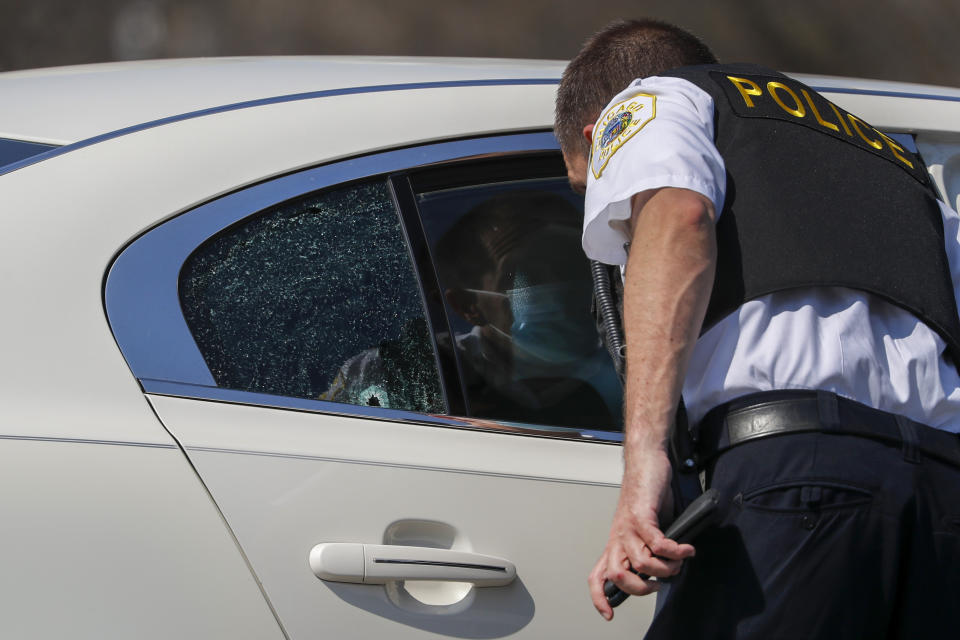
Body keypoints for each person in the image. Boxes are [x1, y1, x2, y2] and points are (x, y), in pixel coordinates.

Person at [555, 18, 960, 638]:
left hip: (799, 480)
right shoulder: (896, 160)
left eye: (595, 186)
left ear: (598, 133)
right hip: (942, 497)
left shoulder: (649, 101)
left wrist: (643, 464)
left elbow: (680, 216)